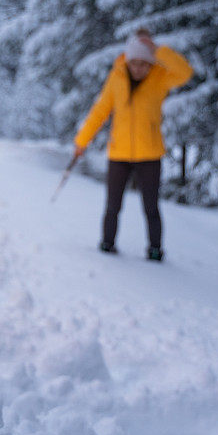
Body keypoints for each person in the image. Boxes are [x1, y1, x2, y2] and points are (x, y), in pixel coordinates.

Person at [73, 29, 193, 261]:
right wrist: (81, 142)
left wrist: (158, 50)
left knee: (151, 207)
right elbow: (100, 111)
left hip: (150, 154)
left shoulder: (160, 78)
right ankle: (107, 244)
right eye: (134, 63)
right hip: (119, 154)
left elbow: (185, 72)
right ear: (128, 61)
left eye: (144, 63)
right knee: (112, 205)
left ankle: (155, 249)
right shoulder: (116, 78)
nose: (139, 68)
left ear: (150, 63)